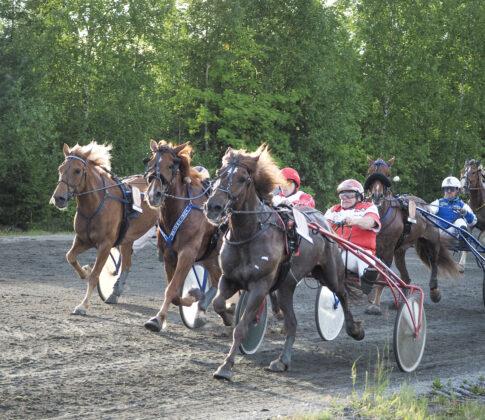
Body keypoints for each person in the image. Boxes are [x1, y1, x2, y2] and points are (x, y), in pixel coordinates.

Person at [324, 179, 381, 278]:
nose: (344, 198)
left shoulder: (368, 207)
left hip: (359, 252)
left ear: (359, 196)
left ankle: (367, 280)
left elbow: (370, 222)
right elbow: (323, 227)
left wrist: (355, 221)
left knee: (364, 257)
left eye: (349, 195)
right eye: (342, 195)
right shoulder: (333, 210)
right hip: (335, 252)